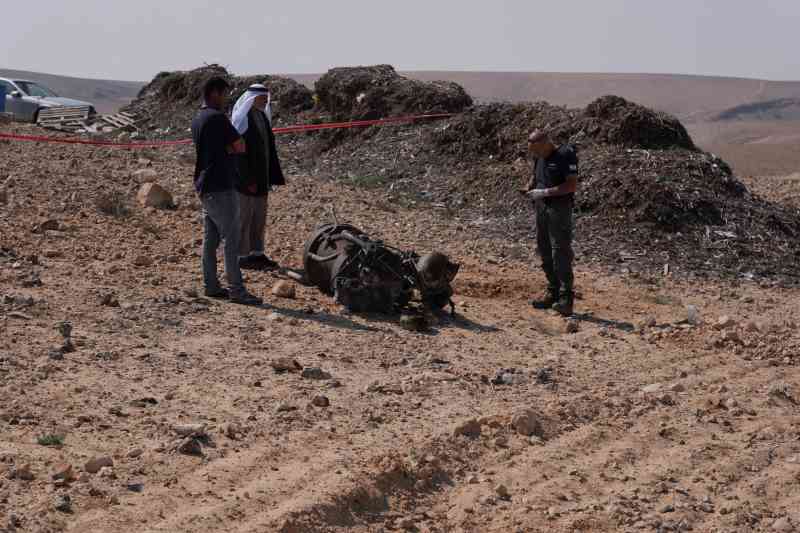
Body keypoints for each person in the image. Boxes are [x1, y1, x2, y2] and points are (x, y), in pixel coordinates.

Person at [191, 76, 262, 305]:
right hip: (221, 185)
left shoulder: (198, 119)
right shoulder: (218, 118)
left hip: (205, 185)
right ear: (214, 93)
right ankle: (237, 290)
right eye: (223, 94)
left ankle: (211, 285)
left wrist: (227, 148)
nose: (225, 99)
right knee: (232, 239)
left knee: (211, 239)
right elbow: (239, 145)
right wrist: (230, 149)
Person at [522, 129, 578, 316]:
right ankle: (552, 291)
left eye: (537, 150)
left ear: (546, 143)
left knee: (560, 251)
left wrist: (545, 192)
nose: (535, 155)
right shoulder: (539, 156)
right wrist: (529, 187)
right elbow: (535, 174)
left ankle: (565, 298)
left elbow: (571, 185)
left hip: (559, 208)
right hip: (541, 207)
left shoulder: (565, 155)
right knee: (544, 248)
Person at [230, 83, 286, 270]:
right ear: (252, 99)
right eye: (261, 98)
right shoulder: (242, 119)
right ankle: (242, 256)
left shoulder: (261, 116)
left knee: (259, 218)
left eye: (265, 98)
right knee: (244, 218)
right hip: (245, 181)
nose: (265, 101)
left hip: (262, 179)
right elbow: (237, 155)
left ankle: (257, 253)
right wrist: (248, 180)